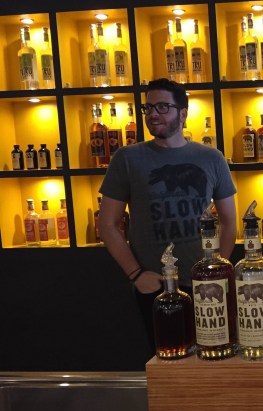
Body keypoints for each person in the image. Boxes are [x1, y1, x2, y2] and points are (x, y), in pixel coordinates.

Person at [98, 78, 237, 353]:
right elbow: (107, 225)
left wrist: (216, 272)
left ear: (183, 114)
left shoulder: (212, 158)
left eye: (162, 107)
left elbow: (229, 222)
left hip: (204, 284)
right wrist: (136, 275)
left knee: (214, 355)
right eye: (148, 108)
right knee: (166, 361)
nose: (153, 114)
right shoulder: (127, 158)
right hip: (156, 286)